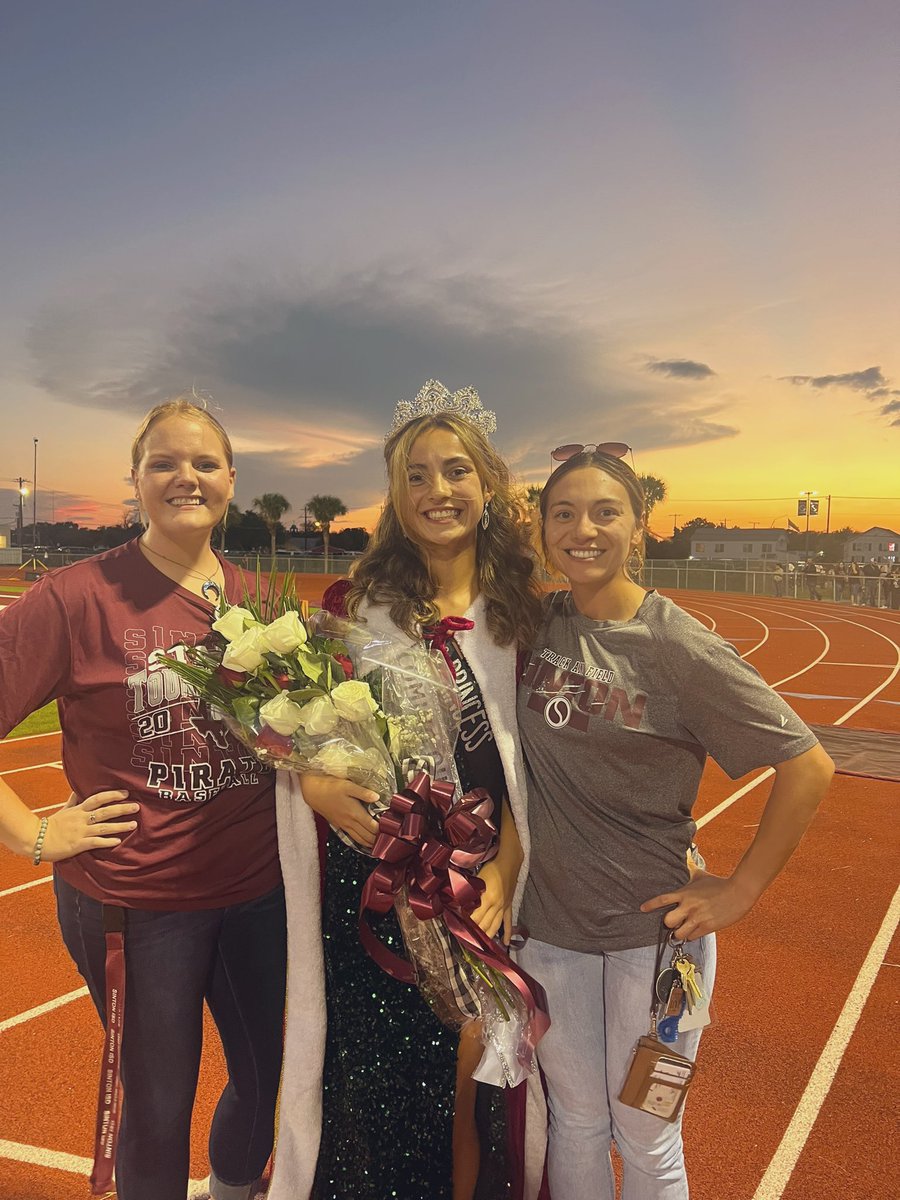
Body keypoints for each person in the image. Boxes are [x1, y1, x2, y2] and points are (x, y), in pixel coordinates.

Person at [514, 446, 834, 1200]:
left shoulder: (679, 647)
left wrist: (741, 890)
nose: (582, 529)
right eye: (563, 513)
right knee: (578, 1120)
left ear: (640, 528)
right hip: (549, 933)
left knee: (649, 1135)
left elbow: (809, 765)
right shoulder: (534, 622)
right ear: (543, 529)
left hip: (654, 946)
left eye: (604, 512)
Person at [0, 398, 286, 1200]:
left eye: (202, 463)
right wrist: (34, 836)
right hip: (137, 901)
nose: (184, 477)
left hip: (256, 894)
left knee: (273, 1079)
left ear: (231, 479)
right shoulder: (74, 597)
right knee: (158, 1109)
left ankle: (235, 1189)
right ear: (136, 481)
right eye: (163, 462)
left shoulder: (260, 601)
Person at [268, 382, 545, 1200]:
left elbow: (538, 774)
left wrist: (509, 865)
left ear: (488, 484)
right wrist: (312, 782)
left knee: (478, 1095)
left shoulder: (526, 617)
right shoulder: (354, 609)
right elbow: (309, 733)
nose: (438, 491)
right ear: (393, 493)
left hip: (485, 894)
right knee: (383, 1099)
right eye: (416, 475)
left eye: (456, 471)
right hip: (379, 892)